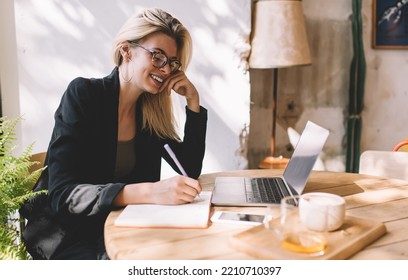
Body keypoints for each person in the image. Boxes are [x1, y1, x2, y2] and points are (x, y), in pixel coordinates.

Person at [21, 7, 207, 260]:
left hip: (123, 226)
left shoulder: (150, 115)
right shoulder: (84, 95)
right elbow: (64, 195)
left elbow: (189, 169)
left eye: (172, 63)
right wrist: (150, 192)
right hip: (69, 235)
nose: (165, 70)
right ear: (126, 50)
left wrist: (193, 103)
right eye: (158, 56)